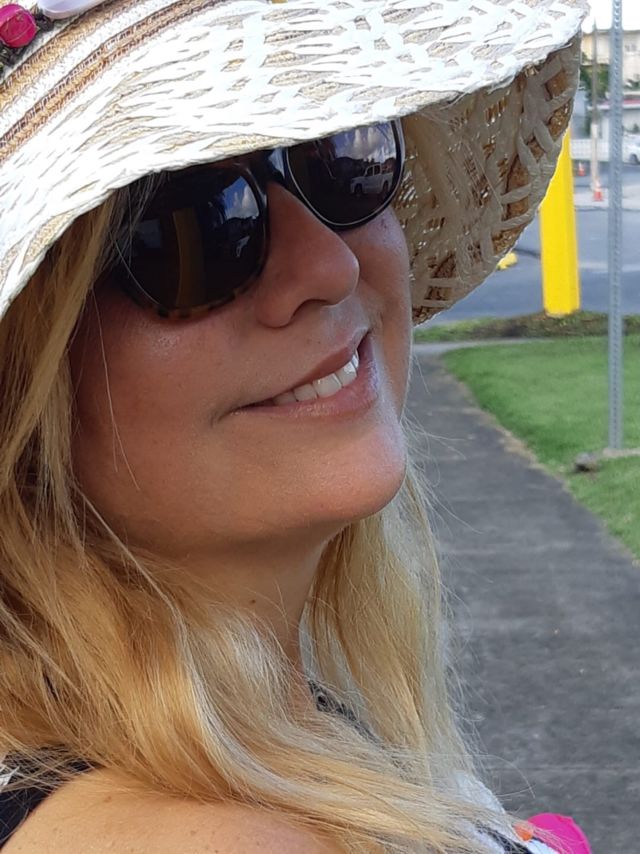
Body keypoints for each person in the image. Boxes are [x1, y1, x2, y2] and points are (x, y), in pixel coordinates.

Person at [0, 0, 590, 851]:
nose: (330, 264)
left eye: (341, 159)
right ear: (24, 379)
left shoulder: (256, 728)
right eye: (190, 226)